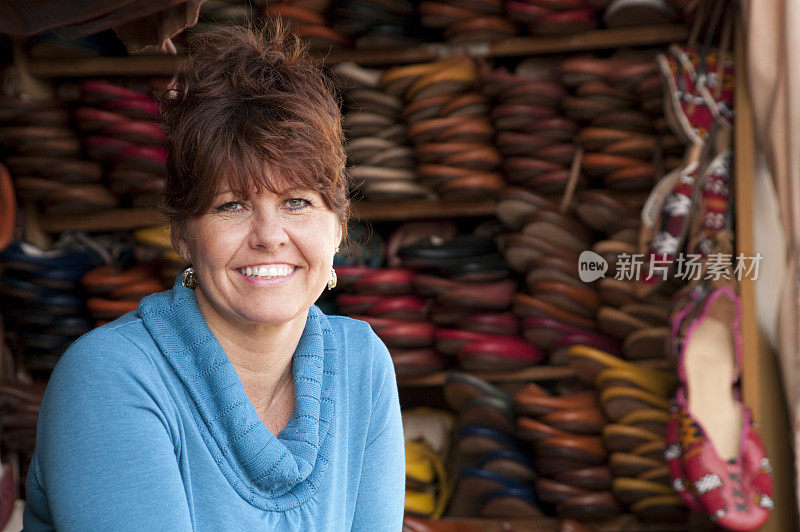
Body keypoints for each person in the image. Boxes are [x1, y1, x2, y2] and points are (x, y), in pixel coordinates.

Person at [22, 22, 405, 531]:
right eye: (231, 205)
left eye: (298, 202)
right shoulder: (111, 376)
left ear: (338, 226)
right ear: (182, 234)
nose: (269, 235)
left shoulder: (362, 363)